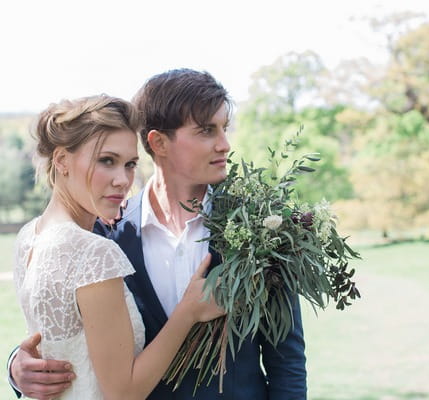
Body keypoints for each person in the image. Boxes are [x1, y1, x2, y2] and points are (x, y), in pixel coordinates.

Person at [9, 69, 308, 400]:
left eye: (225, 128)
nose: (224, 145)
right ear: (158, 142)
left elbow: (287, 363)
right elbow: (70, 331)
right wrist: (17, 368)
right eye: (207, 130)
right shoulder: (103, 233)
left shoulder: (262, 230)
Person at [10, 94, 225, 400]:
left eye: (130, 164)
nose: (123, 180)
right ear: (61, 161)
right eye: (106, 161)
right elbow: (122, 393)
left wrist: (16, 364)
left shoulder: (29, 236)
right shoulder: (94, 252)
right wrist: (187, 313)